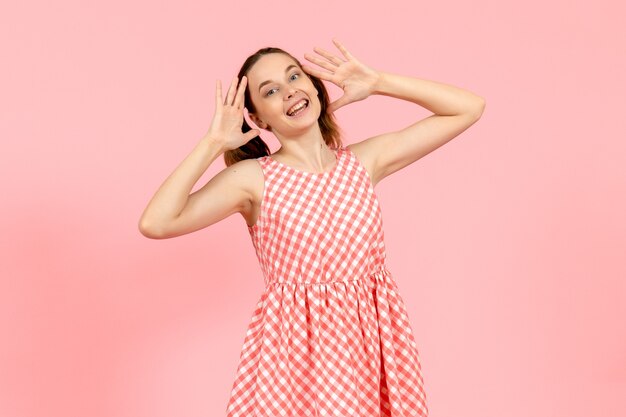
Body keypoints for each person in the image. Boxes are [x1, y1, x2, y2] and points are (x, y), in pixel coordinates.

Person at [138, 38, 485, 417]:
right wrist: (212, 143)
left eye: (294, 76)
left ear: (315, 87)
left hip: (373, 342)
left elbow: (468, 109)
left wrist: (379, 81)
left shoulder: (362, 162)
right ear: (258, 118)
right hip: (298, 356)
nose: (289, 91)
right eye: (270, 91)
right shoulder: (253, 179)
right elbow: (156, 222)